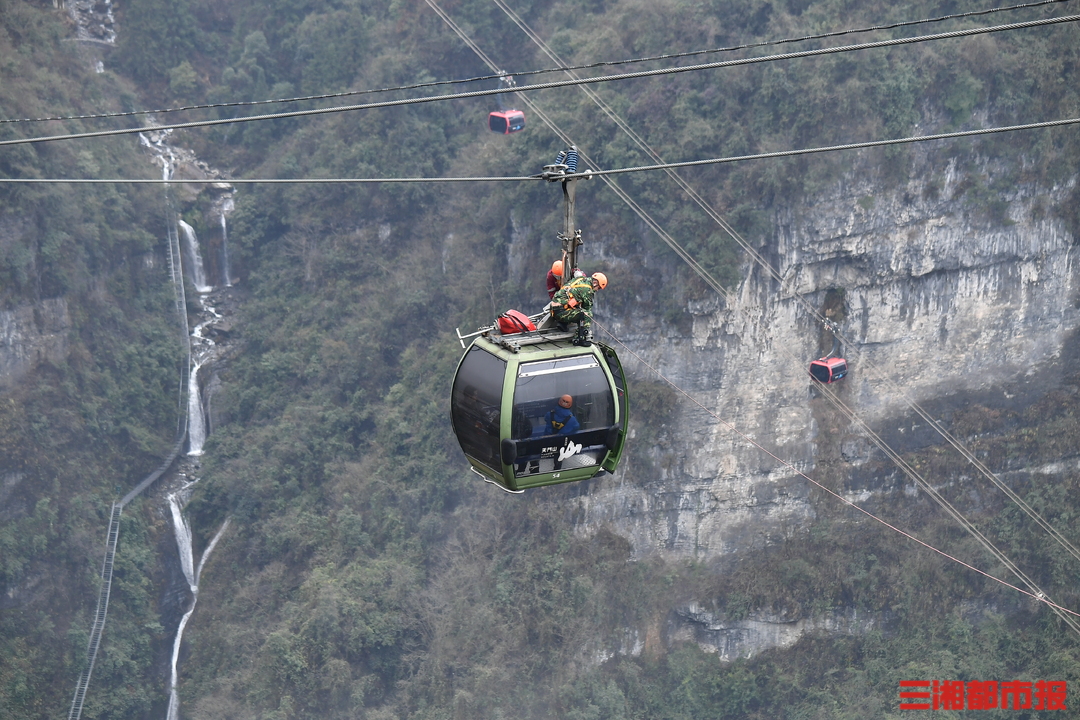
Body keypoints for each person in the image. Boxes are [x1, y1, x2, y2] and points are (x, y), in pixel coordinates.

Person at [550, 271, 608, 346]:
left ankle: (563, 323)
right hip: (560, 312)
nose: (597, 290)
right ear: (595, 283)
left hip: (555, 309)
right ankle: (580, 338)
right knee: (587, 315)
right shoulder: (587, 290)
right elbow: (587, 307)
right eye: (598, 288)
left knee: (576, 306)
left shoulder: (580, 279)